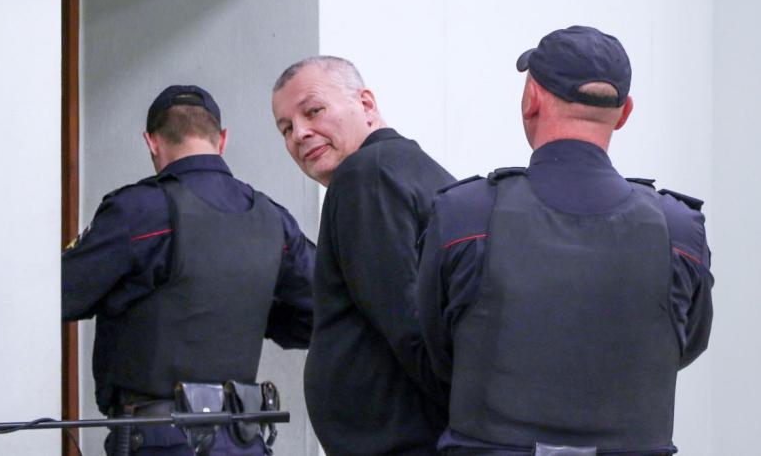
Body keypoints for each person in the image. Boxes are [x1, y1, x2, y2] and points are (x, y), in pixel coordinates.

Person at [417, 26, 714, 456]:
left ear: (531, 98)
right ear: (625, 111)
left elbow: (439, 350)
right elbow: (686, 343)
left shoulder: (464, 215)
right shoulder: (679, 229)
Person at [62, 85, 315, 456]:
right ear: (222, 139)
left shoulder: (137, 212)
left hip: (159, 438)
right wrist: (247, 309)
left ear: (151, 141)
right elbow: (319, 311)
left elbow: (62, 294)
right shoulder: (273, 219)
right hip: (243, 437)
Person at [271, 56, 455, 455]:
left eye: (313, 111)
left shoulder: (364, 175)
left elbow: (409, 322)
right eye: (285, 128)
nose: (299, 134)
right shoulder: (423, 172)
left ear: (367, 104)